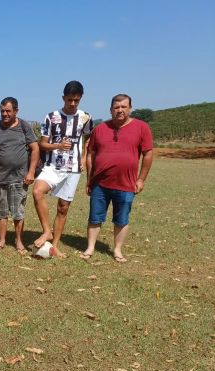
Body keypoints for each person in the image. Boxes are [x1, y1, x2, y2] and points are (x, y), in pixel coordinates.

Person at [81, 94, 153, 262]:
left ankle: (117, 250)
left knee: (121, 219)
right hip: (100, 184)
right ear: (111, 110)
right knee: (94, 217)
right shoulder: (100, 128)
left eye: (123, 107)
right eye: (116, 107)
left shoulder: (142, 127)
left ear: (130, 109)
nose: (120, 110)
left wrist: (141, 179)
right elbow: (90, 154)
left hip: (126, 183)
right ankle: (90, 247)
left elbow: (148, 154)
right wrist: (90, 179)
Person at [33, 80, 93, 258]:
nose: (72, 103)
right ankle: (47, 231)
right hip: (52, 166)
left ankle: (55, 246)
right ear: (63, 98)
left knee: (63, 208)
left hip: (72, 170)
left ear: (81, 98)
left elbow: (88, 138)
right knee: (37, 191)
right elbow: (42, 143)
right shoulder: (51, 117)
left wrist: (83, 157)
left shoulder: (85, 117)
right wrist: (58, 145)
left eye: (76, 100)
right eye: (69, 100)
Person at [0, 97, 39, 254]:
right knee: (1, 211)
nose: (5, 114)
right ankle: (1, 240)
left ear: (16, 111)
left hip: (19, 178)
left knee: (18, 211)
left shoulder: (24, 127)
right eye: (2, 111)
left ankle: (19, 241)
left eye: (8, 111)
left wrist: (31, 172)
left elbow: (35, 148)